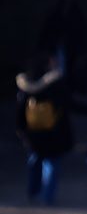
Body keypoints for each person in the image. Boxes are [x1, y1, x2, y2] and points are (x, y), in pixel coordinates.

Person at [15, 56, 73, 205]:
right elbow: (67, 104)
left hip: (32, 131)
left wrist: (20, 128)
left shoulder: (26, 84)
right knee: (51, 163)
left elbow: (20, 109)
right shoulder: (56, 83)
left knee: (34, 161)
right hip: (53, 131)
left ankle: (33, 192)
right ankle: (48, 196)